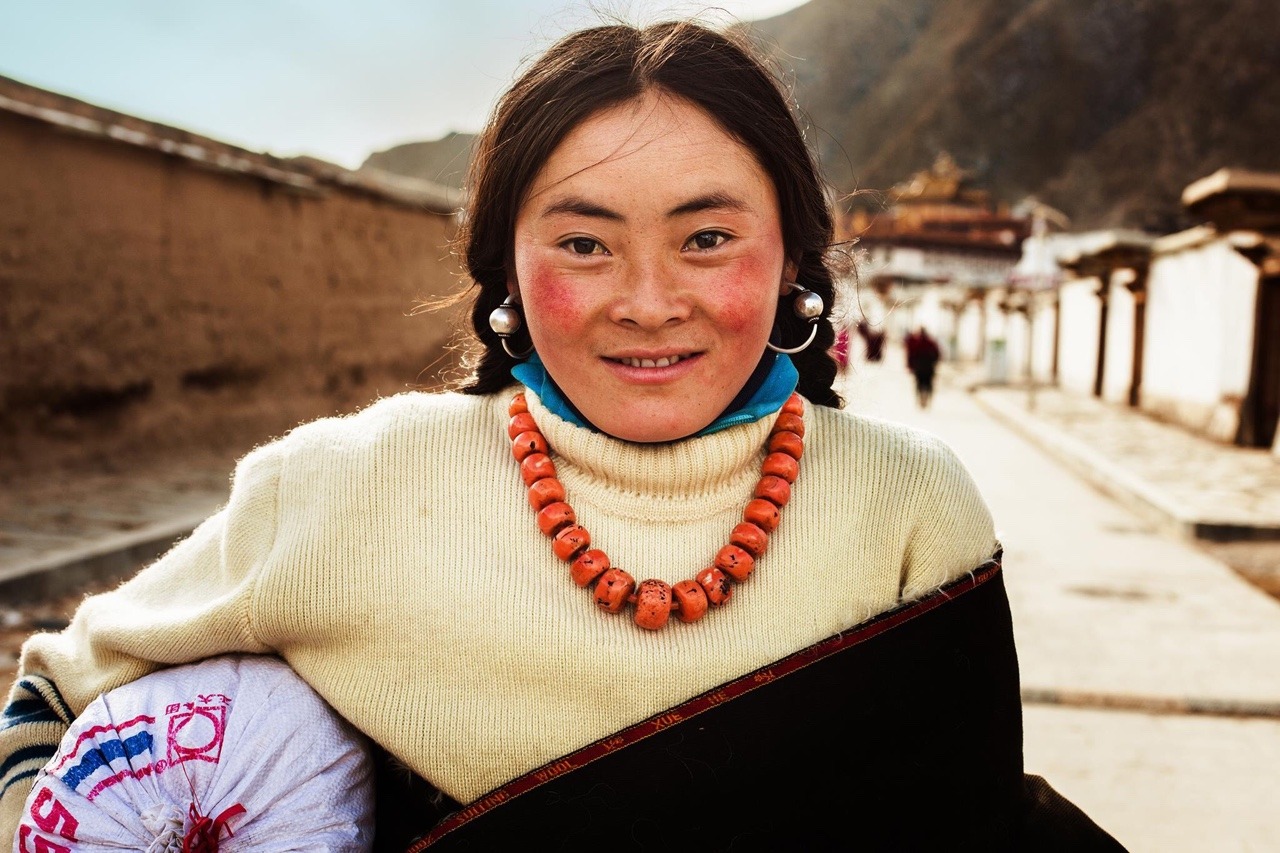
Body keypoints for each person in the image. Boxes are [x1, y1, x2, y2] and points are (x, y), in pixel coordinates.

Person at [1, 19, 1126, 852]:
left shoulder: (907, 509)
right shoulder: (349, 487)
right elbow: (51, 696)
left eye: (706, 238)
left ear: (791, 258)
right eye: (584, 244)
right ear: (504, 269)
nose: (646, 299)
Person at [906, 324, 942, 408]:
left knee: (918, 383)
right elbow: (937, 354)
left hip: (919, 367)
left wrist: (910, 365)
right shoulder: (931, 342)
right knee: (928, 384)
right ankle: (928, 399)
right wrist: (934, 363)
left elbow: (911, 355)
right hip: (929, 367)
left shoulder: (916, 342)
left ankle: (919, 399)